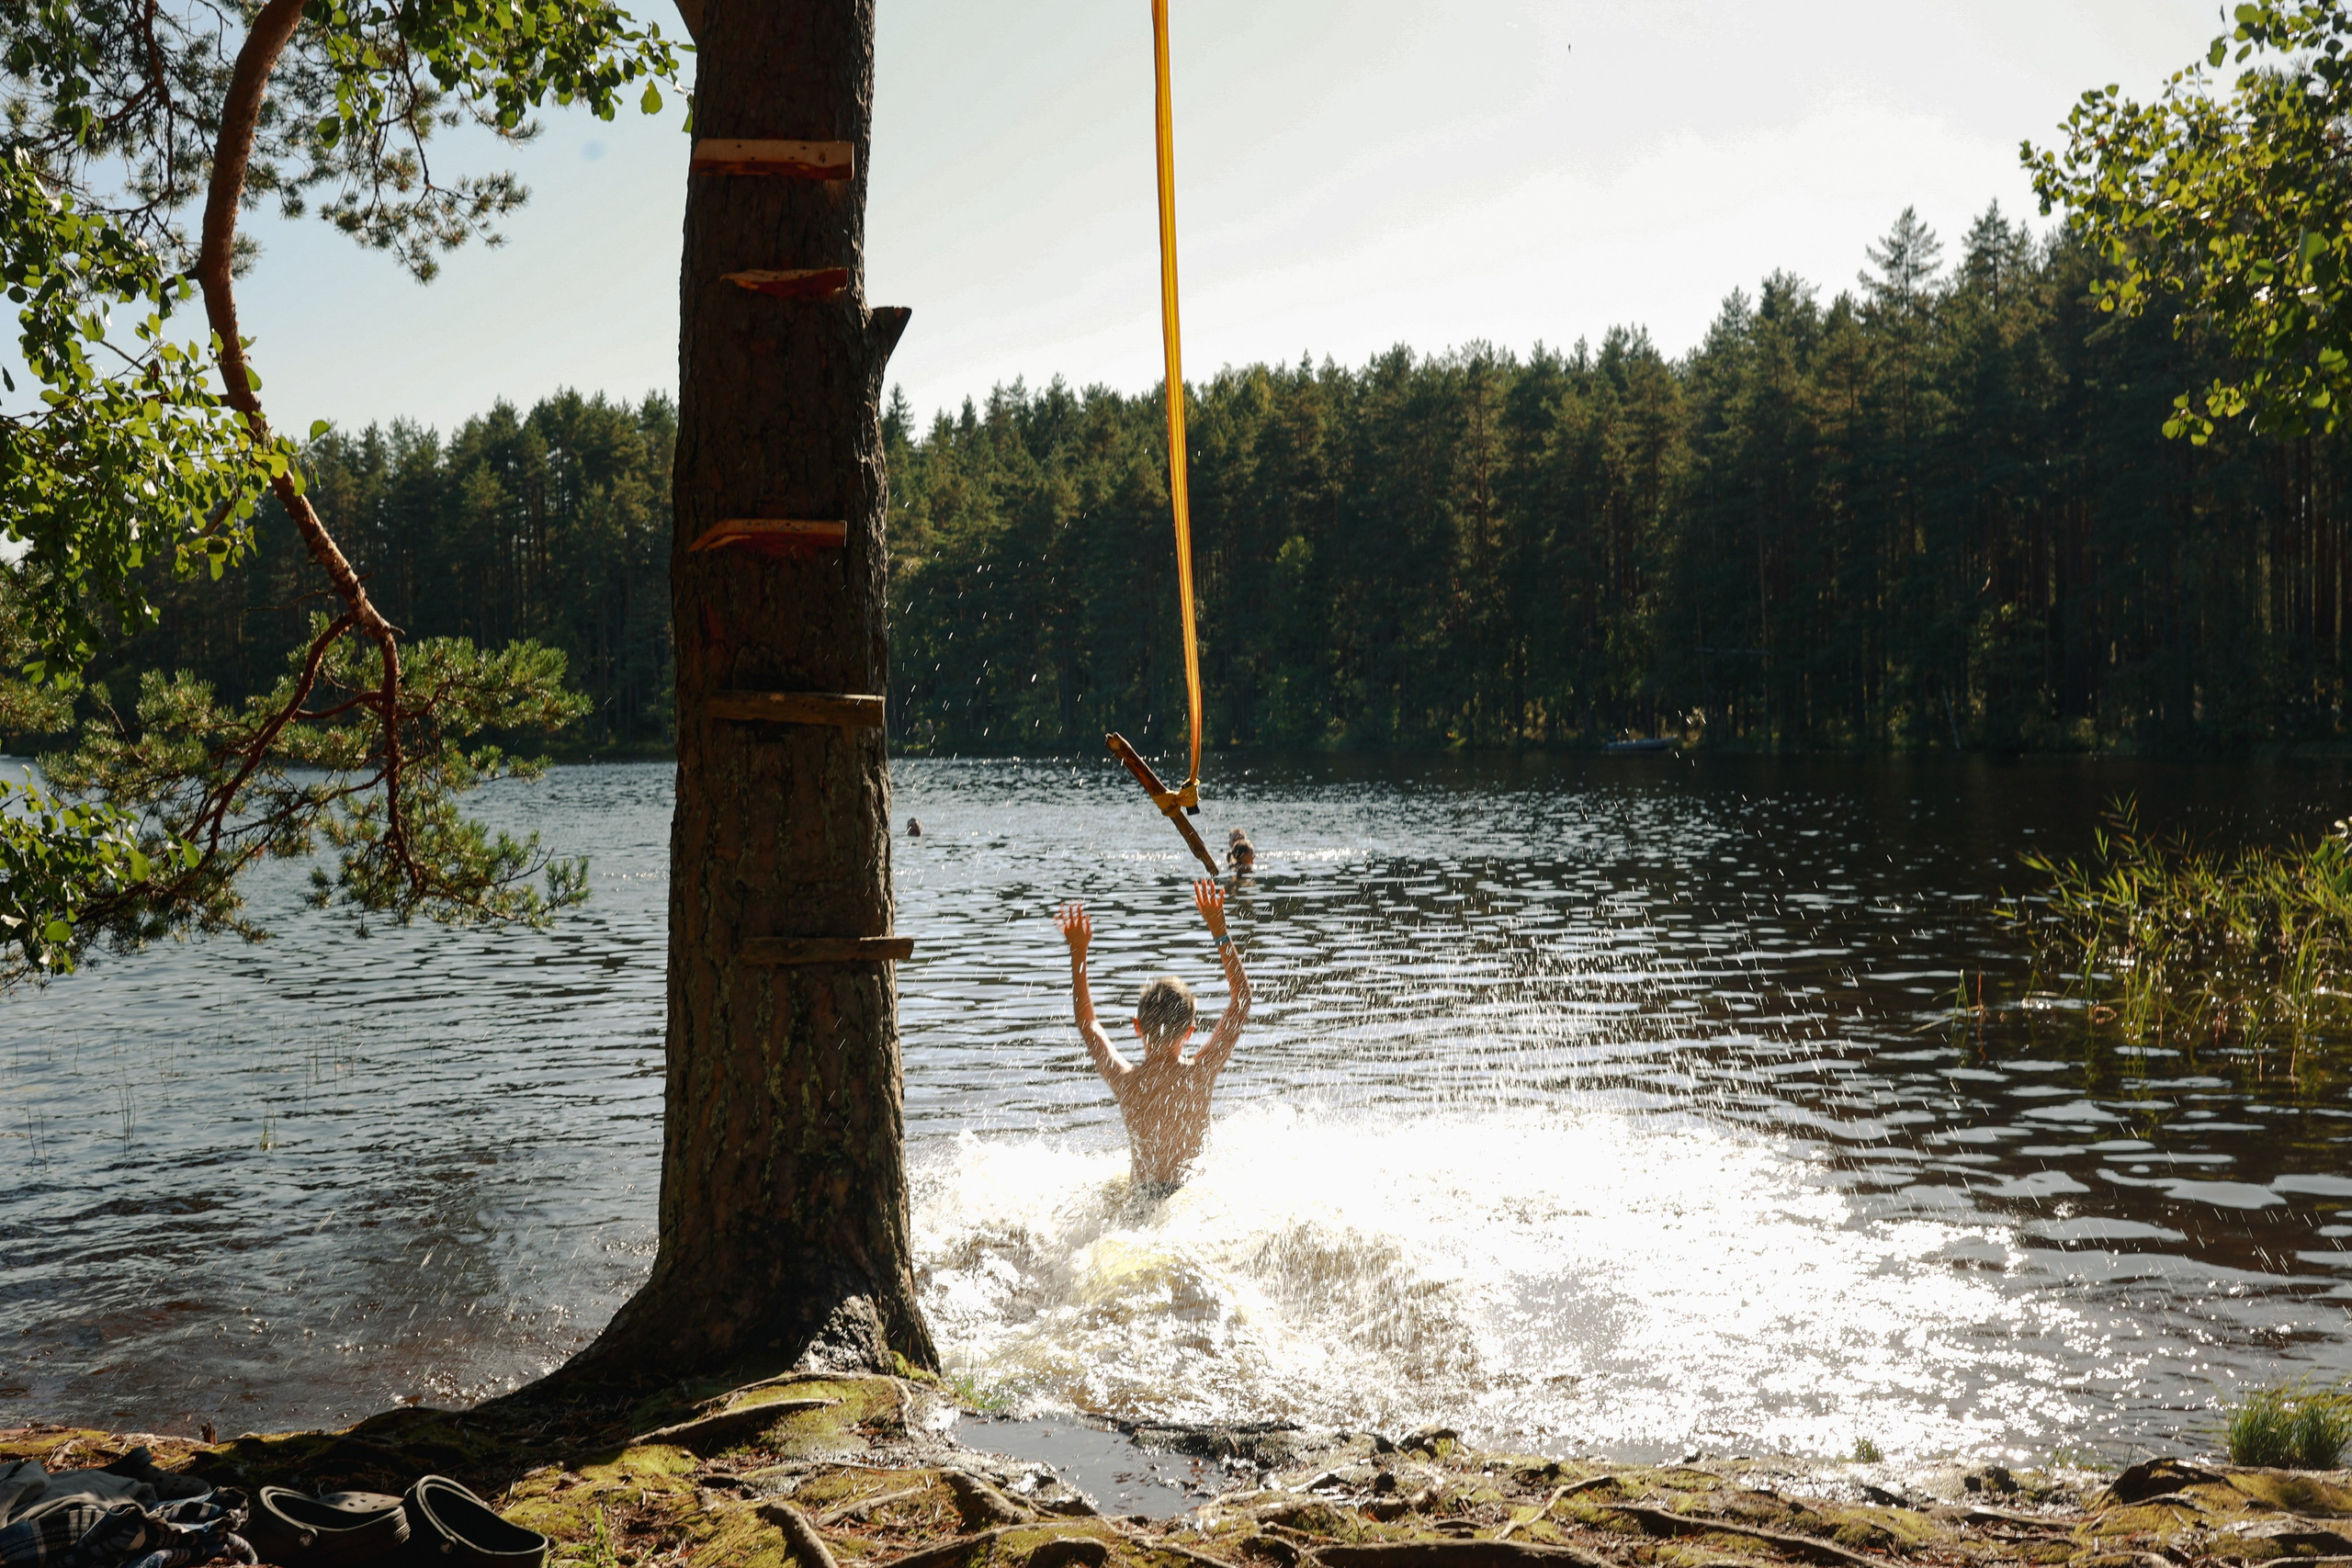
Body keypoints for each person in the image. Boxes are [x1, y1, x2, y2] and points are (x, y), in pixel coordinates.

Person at [1054, 879, 1250, 1197]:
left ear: (1137, 1027)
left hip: (1142, 1203)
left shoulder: (1126, 1081)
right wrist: (1220, 930)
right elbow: (1241, 1001)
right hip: (1187, 1203)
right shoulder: (1199, 1075)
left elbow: (1087, 1024)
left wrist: (1078, 952)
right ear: (1190, 1030)